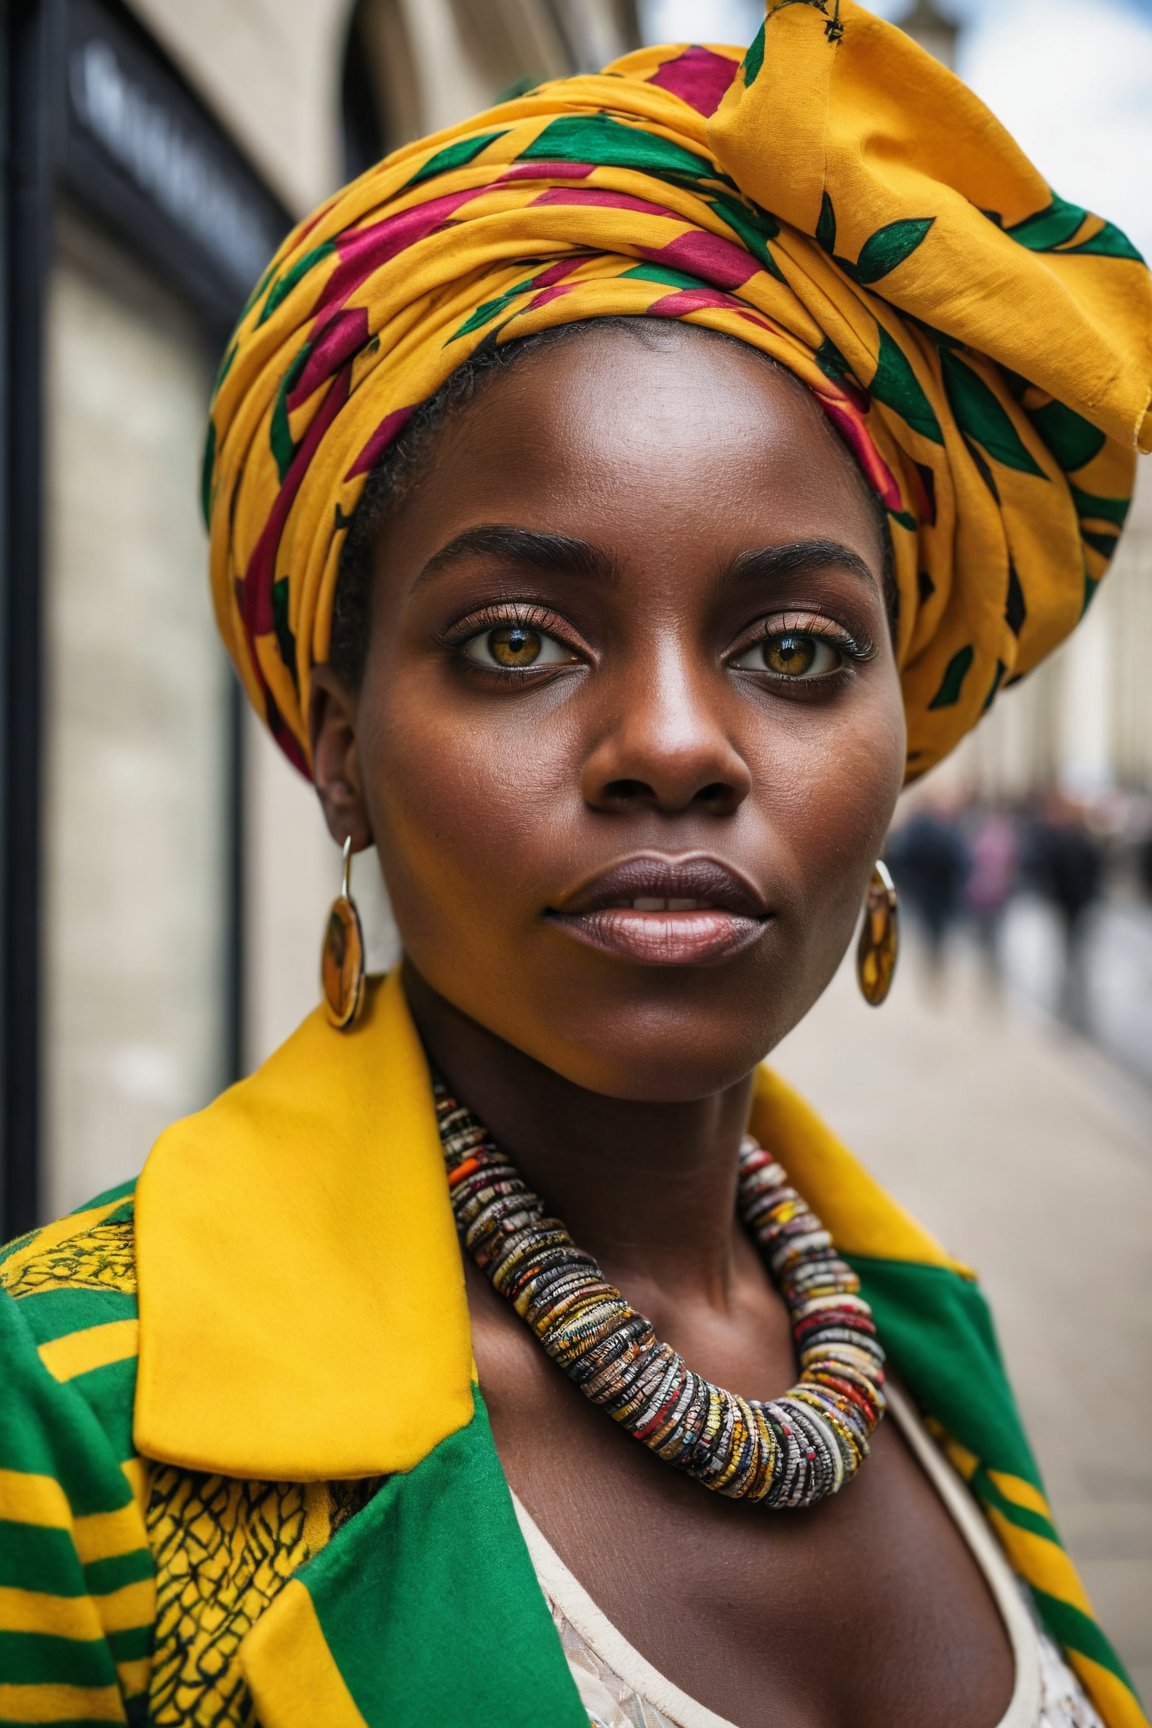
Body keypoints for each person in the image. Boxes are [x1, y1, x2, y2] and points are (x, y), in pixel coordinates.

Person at [2, 6, 1149, 1725]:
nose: (679, 743)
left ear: (907, 742)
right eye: (521, 640)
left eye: (799, 651)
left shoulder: (926, 1335)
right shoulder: (71, 1428)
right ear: (337, 748)